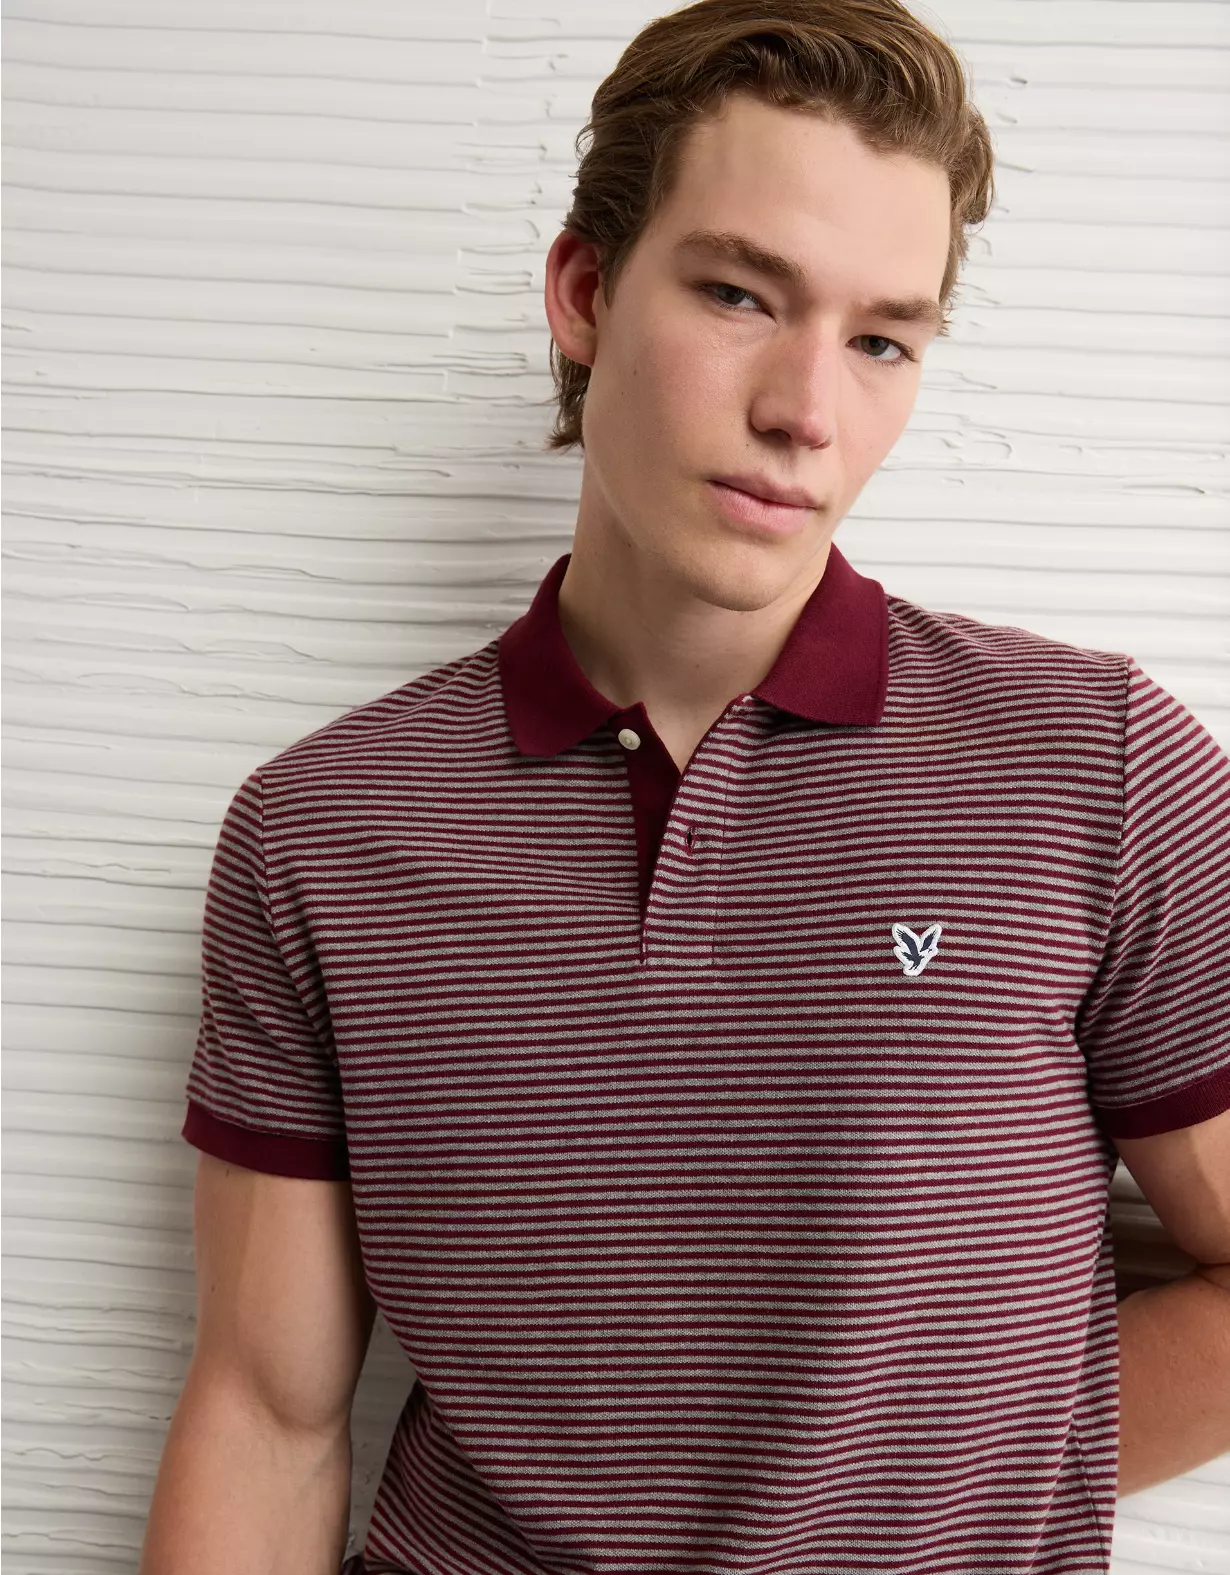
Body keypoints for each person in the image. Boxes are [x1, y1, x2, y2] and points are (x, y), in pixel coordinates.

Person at [139, 0, 1230, 1570]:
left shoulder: (1095, 766)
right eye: (737, 294)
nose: (806, 410)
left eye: (880, 339)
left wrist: (964, 1482)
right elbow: (267, 1412)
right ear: (585, 291)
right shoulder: (323, 833)